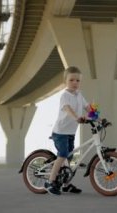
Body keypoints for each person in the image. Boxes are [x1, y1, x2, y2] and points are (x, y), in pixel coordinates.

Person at [44, 66, 90, 195]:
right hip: (60, 132)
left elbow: (88, 107)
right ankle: (50, 181)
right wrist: (77, 117)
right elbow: (67, 109)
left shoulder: (79, 95)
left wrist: (99, 118)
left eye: (78, 80)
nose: (75, 83)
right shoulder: (65, 95)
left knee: (69, 158)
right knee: (63, 154)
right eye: (71, 80)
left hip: (70, 133)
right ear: (66, 81)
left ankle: (66, 185)